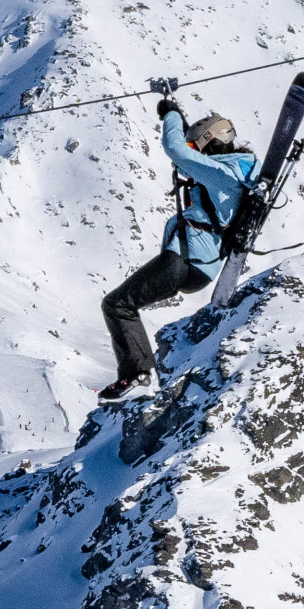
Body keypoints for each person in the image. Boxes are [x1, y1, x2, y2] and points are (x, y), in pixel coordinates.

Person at [97, 94, 255, 400]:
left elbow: (176, 150)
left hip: (186, 258)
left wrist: (170, 115)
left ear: (212, 142)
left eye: (198, 146)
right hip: (196, 263)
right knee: (122, 304)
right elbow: (184, 156)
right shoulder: (232, 172)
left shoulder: (224, 174)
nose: (193, 153)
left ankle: (138, 375)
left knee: (117, 305)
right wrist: (176, 115)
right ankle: (139, 374)